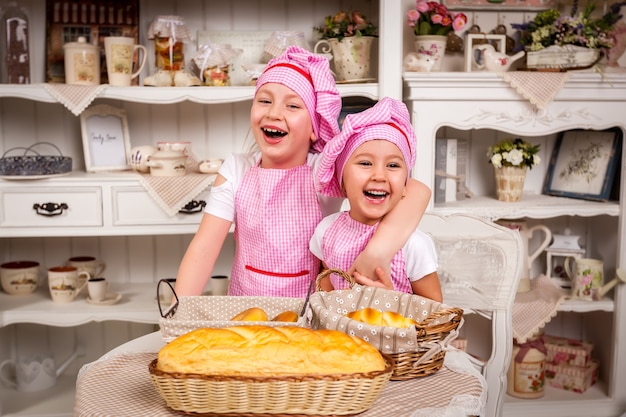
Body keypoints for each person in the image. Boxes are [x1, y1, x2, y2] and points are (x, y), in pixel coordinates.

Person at [174, 46, 431, 298]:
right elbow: (204, 249)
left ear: (314, 127)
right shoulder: (236, 169)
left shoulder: (322, 169)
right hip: (247, 315)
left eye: (293, 106)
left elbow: (417, 191)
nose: (274, 113)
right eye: (264, 101)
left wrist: (378, 252)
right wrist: (178, 315)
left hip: (308, 322)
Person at [311, 97, 442, 301]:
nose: (379, 175)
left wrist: (391, 301)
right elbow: (325, 288)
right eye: (365, 163)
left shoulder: (413, 246)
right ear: (341, 179)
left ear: (406, 184)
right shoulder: (327, 231)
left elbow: (435, 310)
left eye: (393, 166)